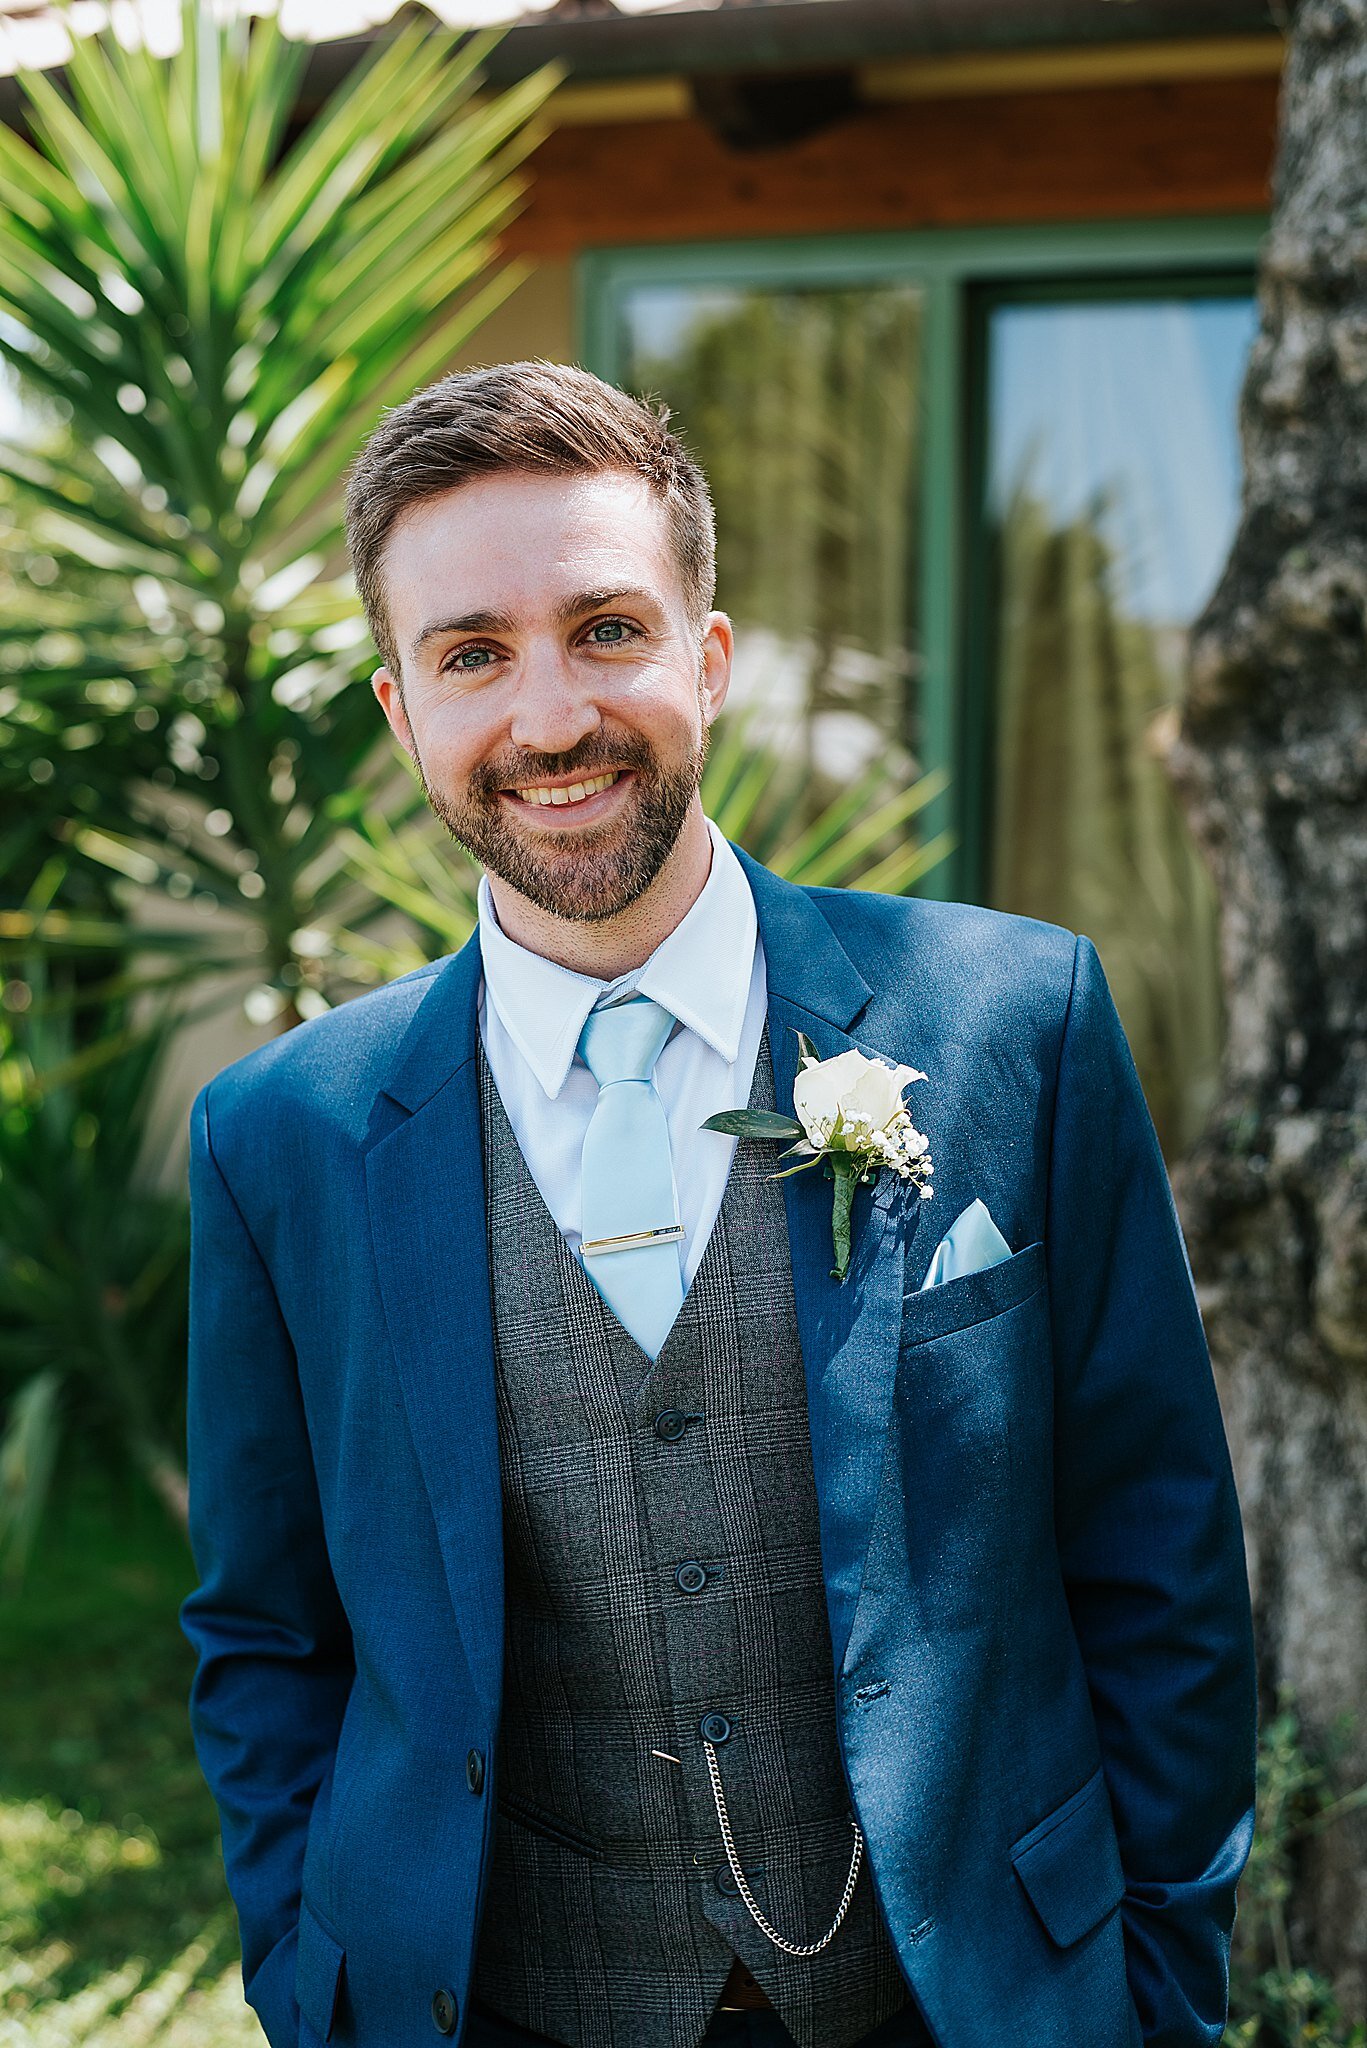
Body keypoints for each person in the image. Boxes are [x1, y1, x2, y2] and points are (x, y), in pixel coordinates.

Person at [178, 360, 1258, 2048]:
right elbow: (264, 1632)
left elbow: (1159, 1553)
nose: (548, 718)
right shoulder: (282, 1137)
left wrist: (1159, 1983)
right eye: (472, 654)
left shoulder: (1013, 1022)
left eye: (605, 628)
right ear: (401, 713)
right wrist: (313, 1986)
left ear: (710, 656)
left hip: (970, 1994)